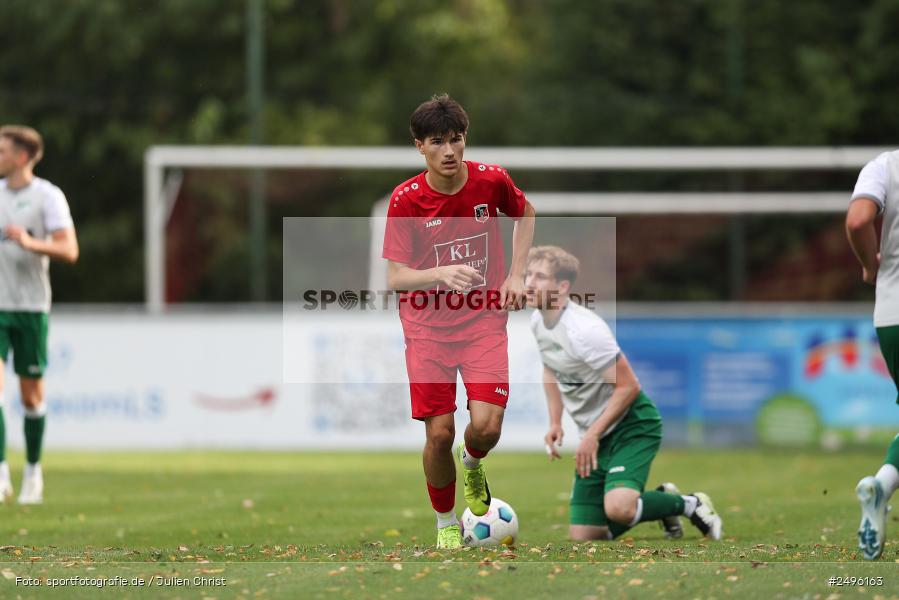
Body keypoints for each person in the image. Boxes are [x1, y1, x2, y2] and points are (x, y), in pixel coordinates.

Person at [382, 94, 536, 549]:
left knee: (487, 427)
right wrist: (439, 273)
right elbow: (395, 278)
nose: (449, 151)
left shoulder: (491, 182)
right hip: (427, 329)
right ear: (419, 147)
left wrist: (516, 275)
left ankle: (472, 465)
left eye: (456, 139)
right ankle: (446, 521)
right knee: (440, 432)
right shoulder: (406, 200)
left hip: (483, 321)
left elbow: (526, 212)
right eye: (437, 142)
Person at [525, 245, 722, 541]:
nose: (528, 282)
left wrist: (591, 435)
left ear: (562, 287)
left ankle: (689, 504)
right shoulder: (538, 321)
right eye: (528, 274)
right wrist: (555, 422)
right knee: (586, 536)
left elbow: (629, 386)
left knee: (619, 509)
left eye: (539, 276)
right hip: (596, 431)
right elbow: (550, 369)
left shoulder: (584, 330)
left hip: (632, 425)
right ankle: (660, 503)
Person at [0, 125, 79, 504]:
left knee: (30, 397)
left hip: (30, 307)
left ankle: (33, 470)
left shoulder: (47, 196)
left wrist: (30, 242)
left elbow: (70, 250)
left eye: (2, 150)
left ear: (21, 156)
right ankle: (0, 472)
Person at [846, 150, 899, 560]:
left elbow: (859, 219)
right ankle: (882, 484)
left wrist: (869, 265)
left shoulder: (885, 165)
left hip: (892, 313)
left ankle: (881, 486)